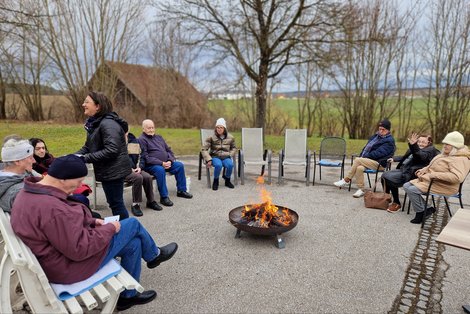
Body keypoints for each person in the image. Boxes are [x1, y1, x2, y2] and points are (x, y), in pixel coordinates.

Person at [10, 154, 178, 311]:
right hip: (68, 267)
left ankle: (128, 296)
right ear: (62, 179)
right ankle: (154, 255)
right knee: (132, 224)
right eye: (78, 181)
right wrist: (109, 228)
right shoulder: (53, 209)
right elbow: (80, 249)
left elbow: (58, 226)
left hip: (54, 259)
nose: (78, 187)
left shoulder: (29, 192)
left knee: (133, 244)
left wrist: (91, 221)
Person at [76, 91, 132, 220]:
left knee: (116, 204)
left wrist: (85, 158)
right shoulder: (95, 124)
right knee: (114, 204)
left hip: (114, 172)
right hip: (108, 172)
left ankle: (127, 231)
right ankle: (125, 230)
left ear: (98, 106)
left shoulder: (108, 124)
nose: (83, 104)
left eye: (87, 102)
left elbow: (112, 150)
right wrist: (72, 156)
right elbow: (88, 147)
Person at [403, 131, 470, 224]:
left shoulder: (459, 159)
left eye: (448, 144)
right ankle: (427, 209)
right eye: (445, 143)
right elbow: (433, 164)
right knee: (406, 185)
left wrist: (433, 175)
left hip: (446, 186)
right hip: (434, 182)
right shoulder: (447, 153)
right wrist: (424, 169)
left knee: (412, 189)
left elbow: (457, 177)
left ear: (455, 146)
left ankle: (420, 213)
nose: (445, 146)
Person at [334, 119, 396, 198]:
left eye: (383, 129)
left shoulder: (389, 141)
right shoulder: (376, 136)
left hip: (380, 163)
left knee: (357, 160)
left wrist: (363, 157)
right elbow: (366, 148)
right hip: (369, 161)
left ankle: (346, 180)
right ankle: (361, 189)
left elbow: (378, 153)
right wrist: (363, 156)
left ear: (388, 130)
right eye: (379, 128)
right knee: (359, 168)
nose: (380, 131)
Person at [139, 119, 192, 207]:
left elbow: (169, 150)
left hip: (166, 163)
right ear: (143, 129)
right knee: (160, 170)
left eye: (153, 127)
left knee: (179, 165)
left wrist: (170, 160)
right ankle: (164, 197)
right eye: (149, 128)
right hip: (151, 166)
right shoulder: (141, 140)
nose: (151, 130)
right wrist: (161, 163)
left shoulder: (159, 137)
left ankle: (181, 190)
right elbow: (146, 157)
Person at [382, 133, 440, 213]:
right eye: (419, 141)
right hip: (404, 169)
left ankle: (397, 203)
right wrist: (394, 159)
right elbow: (405, 157)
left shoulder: (430, 150)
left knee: (390, 178)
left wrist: (414, 146)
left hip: (412, 173)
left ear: (429, 143)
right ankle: (387, 198)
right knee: (384, 176)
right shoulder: (414, 148)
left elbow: (420, 156)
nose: (420, 144)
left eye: (423, 142)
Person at [30, 137, 93, 208]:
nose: (42, 151)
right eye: (38, 149)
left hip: (62, 187)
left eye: (43, 148)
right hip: (52, 192)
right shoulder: (32, 166)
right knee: (81, 199)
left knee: (82, 196)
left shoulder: (50, 159)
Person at [125, 132, 162, 216]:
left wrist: (140, 167)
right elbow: (119, 159)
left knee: (147, 177)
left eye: (126, 132)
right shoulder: (116, 142)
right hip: (123, 170)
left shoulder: (133, 141)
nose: (125, 134)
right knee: (138, 178)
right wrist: (129, 168)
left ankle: (150, 201)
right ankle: (135, 204)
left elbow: (142, 156)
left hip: (135, 168)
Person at [0, 138, 36, 212]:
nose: (34, 161)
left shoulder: (23, 174)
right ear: (17, 161)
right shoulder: (17, 192)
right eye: (30, 157)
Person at [201, 117, 237, 190]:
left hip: (226, 156)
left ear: (224, 129)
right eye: (217, 127)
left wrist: (230, 154)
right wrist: (208, 159)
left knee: (230, 165)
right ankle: (216, 181)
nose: (219, 129)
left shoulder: (231, 137)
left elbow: (234, 148)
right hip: (215, 156)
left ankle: (227, 180)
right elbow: (204, 149)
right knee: (218, 165)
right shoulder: (211, 137)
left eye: (221, 127)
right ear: (215, 128)